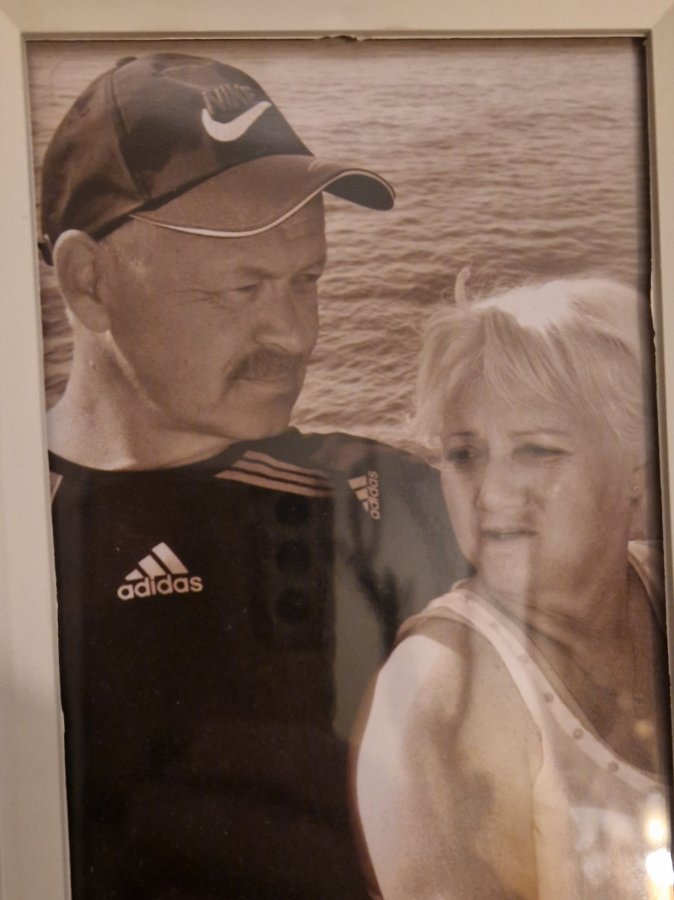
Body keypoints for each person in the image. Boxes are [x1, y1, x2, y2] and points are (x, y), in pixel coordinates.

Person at [41, 53, 467, 899]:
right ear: (90, 283)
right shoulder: (27, 541)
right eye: (241, 290)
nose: (297, 335)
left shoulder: (384, 497)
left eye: (307, 280)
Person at [355, 278, 672, 899]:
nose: (492, 495)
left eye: (536, 451)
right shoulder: (437, 693)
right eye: (463, 455)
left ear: (635, 469)